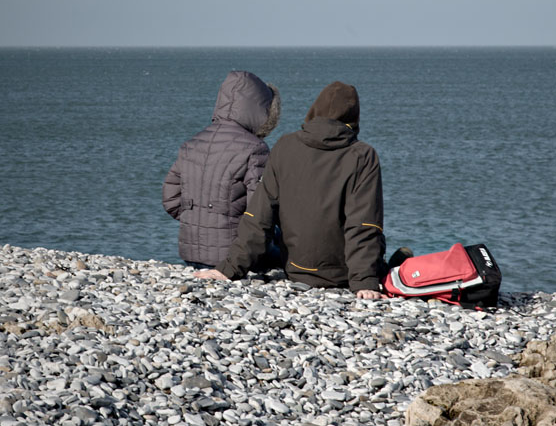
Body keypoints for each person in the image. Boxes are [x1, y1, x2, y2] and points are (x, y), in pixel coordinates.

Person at [195, 81, 388, 299]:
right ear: (353, 117)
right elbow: (362, 224)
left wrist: (228, 269)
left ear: (314, 111)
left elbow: (259, 216)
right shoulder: (362, 155)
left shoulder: (285, 146)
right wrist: (364, 282)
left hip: (296, 269)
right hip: (341, 274)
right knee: (389, 251)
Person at [162, 70, 281, 267]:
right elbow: (259, 209)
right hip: (233, 256)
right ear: (260, 110)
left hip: (191, 252)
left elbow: (170, 198)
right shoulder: (254, 148)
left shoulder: (192, 144)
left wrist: (197, 220)